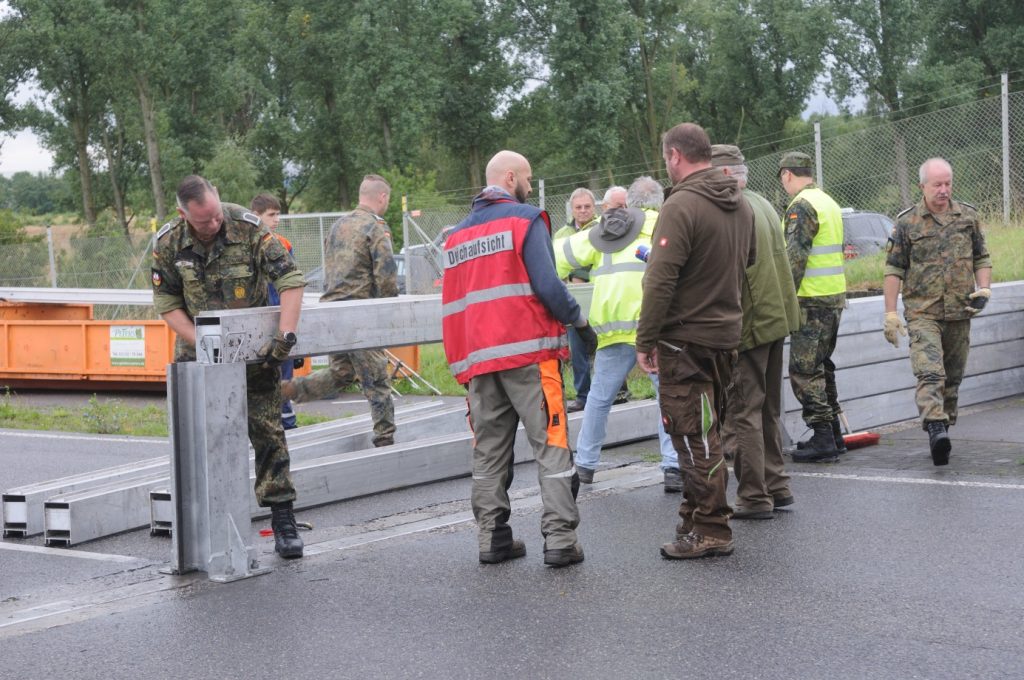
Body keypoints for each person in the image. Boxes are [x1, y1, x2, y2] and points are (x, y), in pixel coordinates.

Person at [442, 150, 597, 568]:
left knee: (488, 452)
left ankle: (492, 539)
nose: (530, 185)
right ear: (510, 178)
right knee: (551, 444)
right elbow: (548, 285)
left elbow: (454, 303)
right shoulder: (526, 220)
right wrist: (580, 322)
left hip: (479, 361)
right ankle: (560, 539)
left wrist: (461, 364)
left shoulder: (456, 237)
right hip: (529, 354)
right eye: (527, 178)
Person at [151, 175, 306, 559]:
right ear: (183, 215)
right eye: (204, 221)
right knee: (200, 440)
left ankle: (283, 519)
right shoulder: (168, 243)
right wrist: (201, 342)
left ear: (219, 199)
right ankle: (202, 522)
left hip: (254, 353)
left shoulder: (248, 228)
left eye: (216, 215)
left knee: (268, 434)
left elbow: (290, 279)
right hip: (199, 358)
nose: (214, 223)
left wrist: (285, 336)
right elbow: (167, 302)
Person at [636, 123, 755, 560]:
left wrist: (645, 339)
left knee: (692, 436)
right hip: (724, 335)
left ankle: (710, 529)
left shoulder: (681, 204)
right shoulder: (739, 202)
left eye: (666, 158)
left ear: (675, 155)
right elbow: (749, 260)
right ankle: (693, 518)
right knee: (706, 433)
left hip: (683, 340)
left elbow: (660, 279)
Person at [555, 203, 682, 491]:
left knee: (599, 398)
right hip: (651, 327)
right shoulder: (660, 222)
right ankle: (673, 466)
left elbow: (557, 256)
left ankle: (585, 464)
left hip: (611, 328)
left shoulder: (603, 231)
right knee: (666, 397)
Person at [882, 157, 992, 465]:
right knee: (929, 372)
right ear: (922, 186)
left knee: (952, 379)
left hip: (960, 310)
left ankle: (943, 427)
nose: (943, 190)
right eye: (937, 185)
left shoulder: (968, 216)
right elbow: (894, 268)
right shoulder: (907, 222)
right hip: (923, 313)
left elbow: (982, 257)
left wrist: (984, 289)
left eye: (947, 184)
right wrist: (890, 313)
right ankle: (935, 427)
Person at [712, 145, 800, 519]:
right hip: (775, 318)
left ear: (725, 175)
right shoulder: (761, 203)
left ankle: (752, 494)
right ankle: (776, 485)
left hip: (750, 323)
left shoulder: (733, 209)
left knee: (744, 411)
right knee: (767, 408)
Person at [281, 175, 398, 448]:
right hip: (360, 313)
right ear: (382, 197)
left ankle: (289, 390)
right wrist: (389, 311)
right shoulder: (376, 226)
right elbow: (386, 275)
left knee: (341, 372)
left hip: (332, 312)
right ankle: (385, 436)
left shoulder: (337, 225)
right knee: (376, 376)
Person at [778, 151, 847, 463]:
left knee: (804, 371)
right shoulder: (827, 201)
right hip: (833, 298)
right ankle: (833, 434)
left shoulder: (801, 206)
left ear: (787, 175)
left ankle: (822, 437)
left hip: (810, 301)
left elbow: (794, 260)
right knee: (822, 366)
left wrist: (782, 301)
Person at [251, 193, 298, 430]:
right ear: (255, 215)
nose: (276, 219)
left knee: (284, 374)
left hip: (281, 320)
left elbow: (293, 284)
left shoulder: (284, 244)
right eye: (271, 215)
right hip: (256, 322)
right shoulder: (245, 245)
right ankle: (261, 426)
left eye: (278, 214)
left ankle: (287, 423)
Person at [553, 188, 600, 412]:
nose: (583, 211)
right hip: (573, 298)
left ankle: (616, 392)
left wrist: (577, 274)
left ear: (594, 207)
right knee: (578, 349)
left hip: (598, 295)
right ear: (571, 209)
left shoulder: (601, 227)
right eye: (578, 207)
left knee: (605, 347)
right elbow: (555, 260)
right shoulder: (562, 233)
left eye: (587, 206)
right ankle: (583, 395)